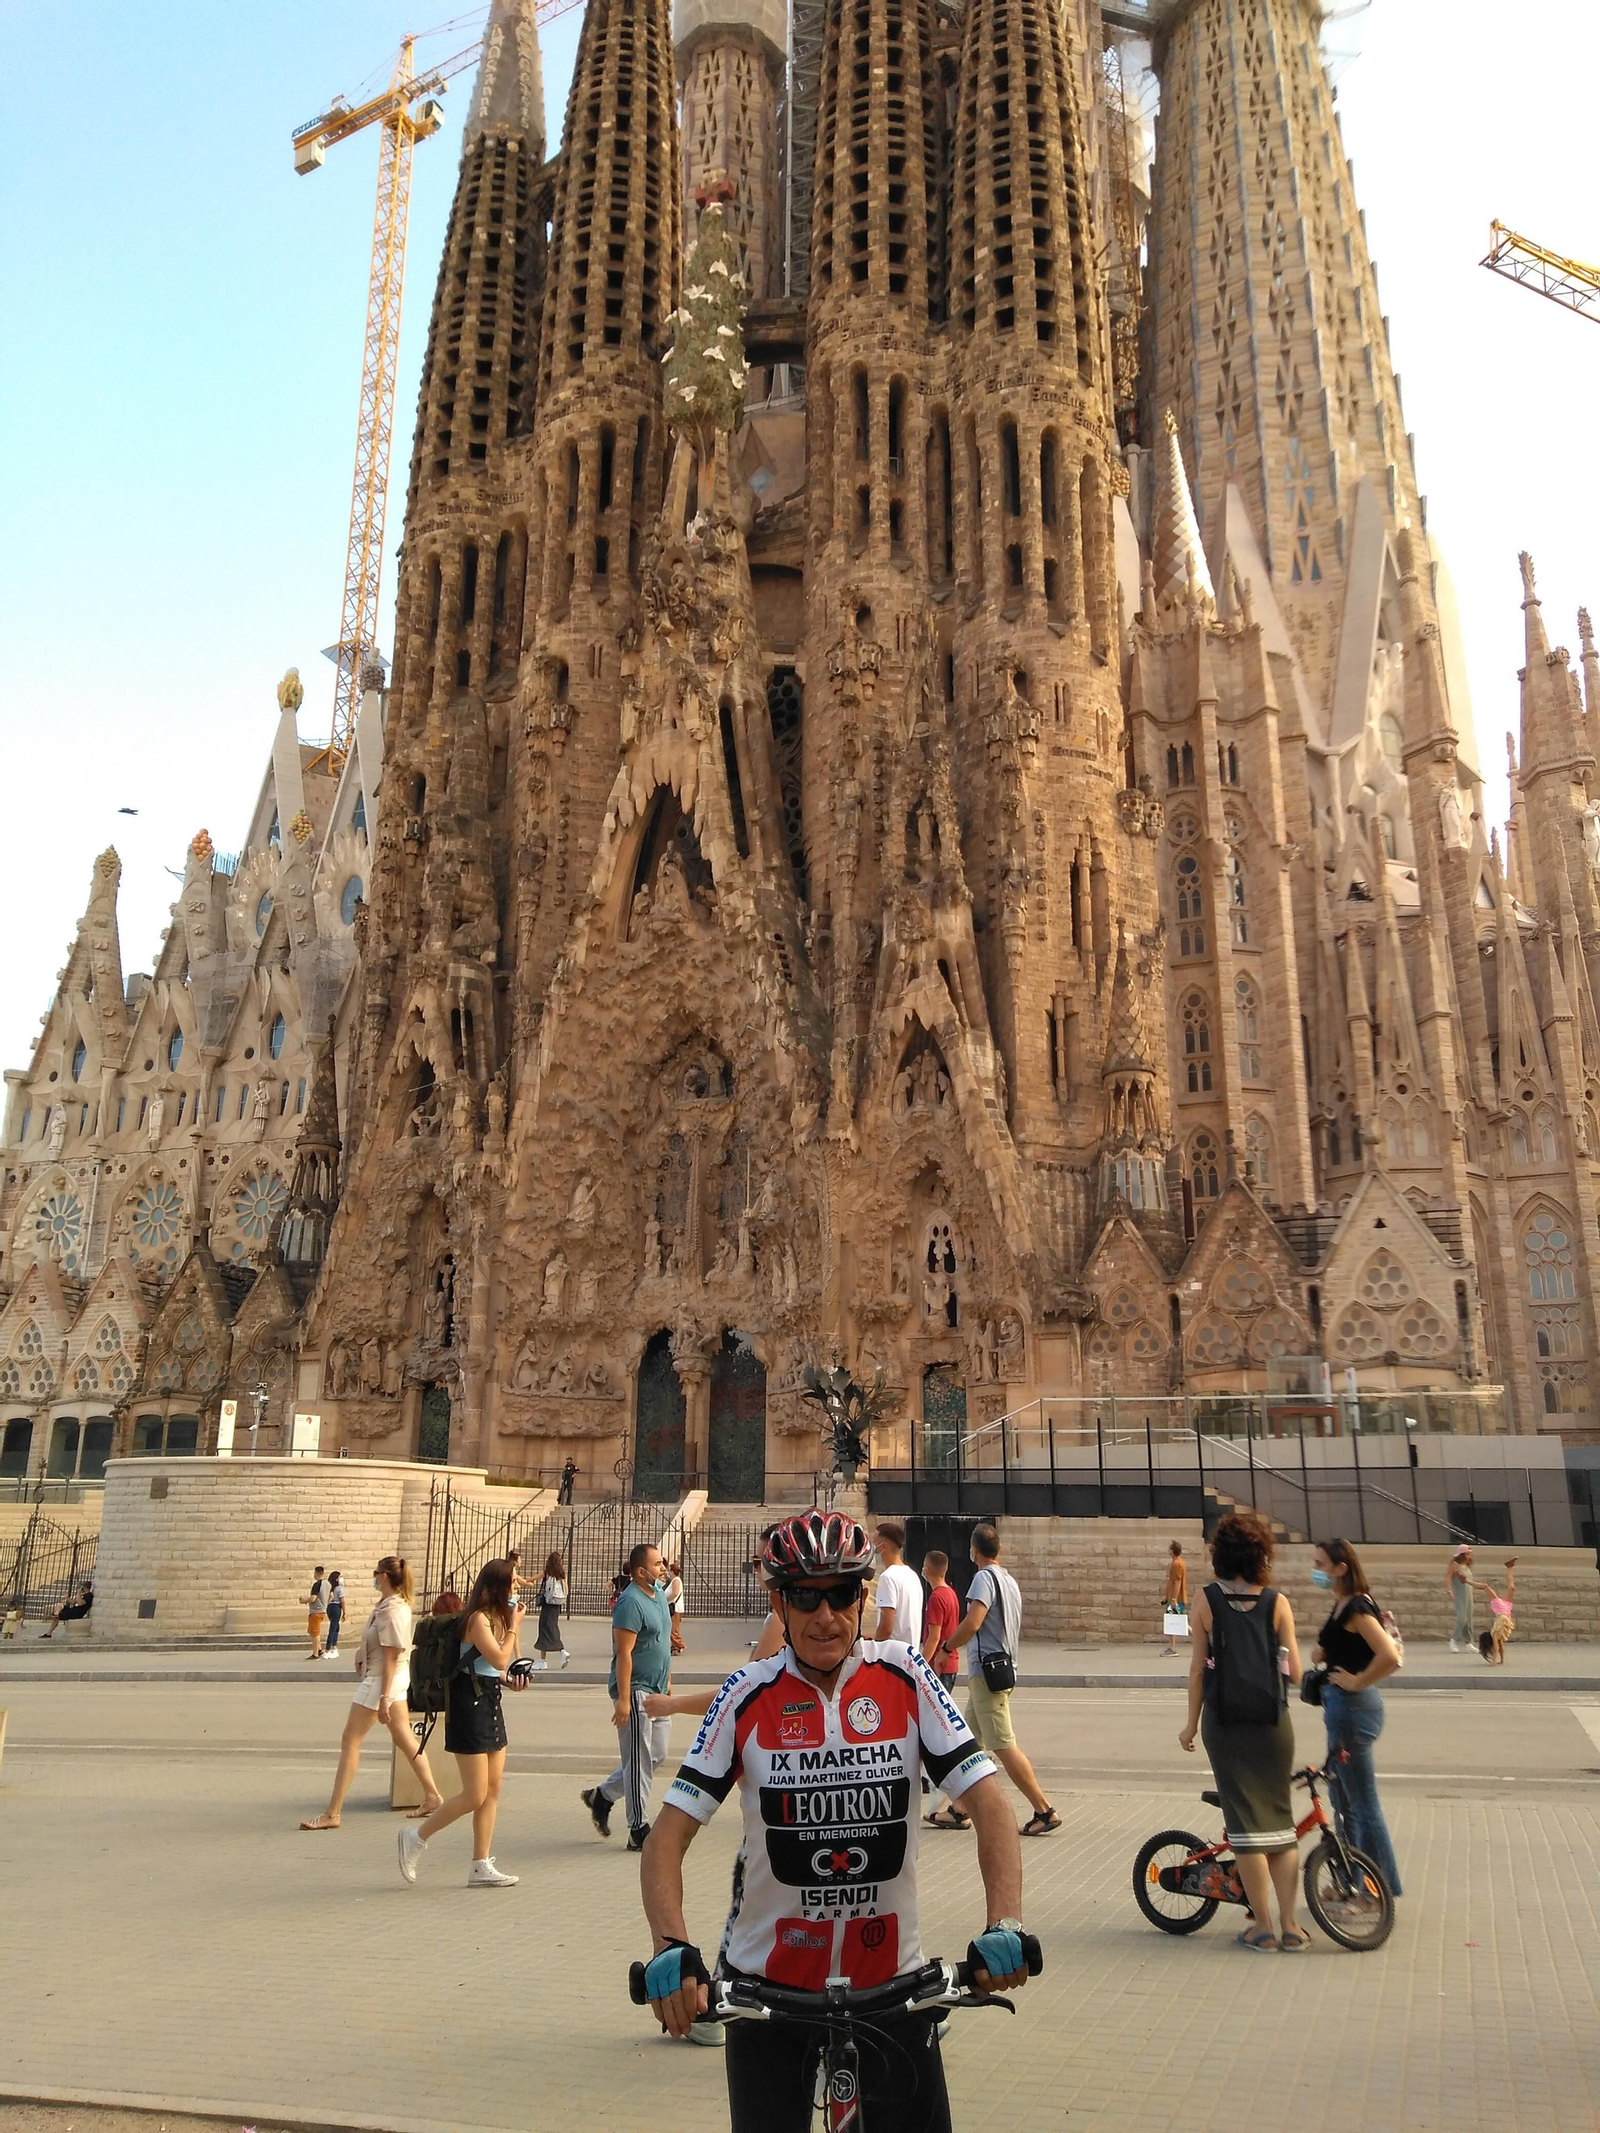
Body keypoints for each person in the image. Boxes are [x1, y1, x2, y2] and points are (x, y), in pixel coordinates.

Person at [636, 1510, 1035, 2133]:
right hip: (766, 1993)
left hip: (895, 1986)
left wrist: (1004, 1922)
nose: (826, 1616)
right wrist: (671, 1946)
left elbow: (989, 1802)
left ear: (864, 1595)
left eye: (842, 1594)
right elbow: (667, 1838)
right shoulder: (744, 1695)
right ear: (779, 1602)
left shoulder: (905, 1674)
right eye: (805, 1597)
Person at [1179, 1509, 1306, 1952]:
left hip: (1226, 1724)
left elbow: (1197, 1669)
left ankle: (1263, 1928)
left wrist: (1190, 1723)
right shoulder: (1278, 1603)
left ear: (1220, 1553)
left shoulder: (1205, 1600)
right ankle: (1292, 1927)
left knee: (1246, 1827)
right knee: (1280, 1824)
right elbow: (1293, 1673)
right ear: (1261, 1555)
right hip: (1273, 1724)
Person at [398, 1558, 526, 1888]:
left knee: (493, 1789)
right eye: (512, 1582)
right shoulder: (477, 1620)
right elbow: (499, 1656)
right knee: (473, 1794)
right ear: (497, 1586)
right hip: (469, 1707)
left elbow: (494, 1667)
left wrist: (511, 1679)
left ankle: (480, 1864)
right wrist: (514, 1626)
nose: (516, 1586)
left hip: (488, 1700)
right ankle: (416, 1837)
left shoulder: (493, 1619)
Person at [935, 1523, 1059, 1835]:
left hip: (986, 1674)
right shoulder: (1009, 1580)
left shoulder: (982, 1578)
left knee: (1002, 1744)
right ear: (998, 1549)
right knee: (969, 1742)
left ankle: (1043, 1810)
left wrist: (947, 1646)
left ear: (973, 1551)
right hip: (1003, 1669)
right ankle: (959, 1809)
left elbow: (973, 1622)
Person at [300, 1556, 441, 1830]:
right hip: (386, 1677)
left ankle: (333, 1812)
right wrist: (361, 1654)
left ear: (385, 1577)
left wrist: (384, 1697)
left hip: (381, 1680)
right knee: (403, 1736)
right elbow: (378, 1642)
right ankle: (432, 1794)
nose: (374, 1578)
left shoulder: (393, 1608)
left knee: (350, 1739)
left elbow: (391, 1654)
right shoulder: (388, 1605)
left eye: (377, 1573)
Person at [1310, 1537, 1402, 1896]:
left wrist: (1356, 1680)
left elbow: (1389, 1655)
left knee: (1363, 1805)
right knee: (1343, 1800)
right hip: (1340, 1710)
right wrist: (1323, 1651)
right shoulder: (1342, 1605)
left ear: (1340, 1568)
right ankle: (1348, 1879)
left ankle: (1373, 1891)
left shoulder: (1357, 1609)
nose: (1315, 1571)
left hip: (1353, 1709)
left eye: (1320, 1565)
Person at [582, 1543, 674, 1852]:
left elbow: (661, 1642)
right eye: (658, 1564)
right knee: (638, 1760)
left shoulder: (658, 1594)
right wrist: (623, 1699)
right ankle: (638, 1828)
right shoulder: (630, 1603)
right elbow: (624, 1653)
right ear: (640, 1571)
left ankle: (603, 1796)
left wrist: (668, 1678)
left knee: (656, 1753)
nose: (663, 1568)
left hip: (658, 1687)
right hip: (636, 1690)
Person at [870, 1520, 923, 1650]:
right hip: (910, 1654)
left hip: (892, 1656)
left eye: (875, 1541)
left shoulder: (887, 1577)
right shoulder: (912, 1575)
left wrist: (874, 1650)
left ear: (884, 1546)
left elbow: (886, 1627)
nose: (873, 1546)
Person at [532, 1550, 571, 1671]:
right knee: (552, 1627)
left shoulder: (547, 1573)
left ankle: (558, 1652)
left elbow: (532, 1579)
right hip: (557, 1605)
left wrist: (522, 1580)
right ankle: (545, 1659)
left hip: (548, 1605)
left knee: (544, 1628)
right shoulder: (562, 1574)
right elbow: (567, 1591)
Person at [1476, 1558, 1518, 1664]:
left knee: (1486, 1587)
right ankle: (1509, 1567)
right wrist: (1502, 1661)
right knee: (1512, 1588)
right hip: (1506, 1611)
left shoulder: (1495, 1633)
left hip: (1501, 1612)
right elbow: (1500, 1648)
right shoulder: (1498, 1636)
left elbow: (1496, 1649)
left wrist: (1494, 1662)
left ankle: (1466, 1581)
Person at [1446, 1542, 1476, 1653]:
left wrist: (1473, 1595)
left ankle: (1468, 1643)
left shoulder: (1467, 1567)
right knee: (1461, 1618)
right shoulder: (1455, 1565)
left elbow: (1470, 1582)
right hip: (1459, 1595)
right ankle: (1453, 1640)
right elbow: (1448, 1578)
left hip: (1468, 1595)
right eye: (1467, 1554)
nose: (1469, 1556)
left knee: (1468, 1619)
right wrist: (1449, 1591)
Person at [1163, 1540, 1189, 1656]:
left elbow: (1177, 1582)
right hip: (1173, 1599)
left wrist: (1173, 1600)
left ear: (1173, 1551)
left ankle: (1172, 1648)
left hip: (1176, 1600)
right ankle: (1172, 1647)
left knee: (1173, 1622)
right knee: (1173, 1622)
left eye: (1169, 1548)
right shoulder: (1175, 1563)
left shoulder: (1177, 1564)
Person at [305, 1565, 329, 1660]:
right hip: (323, 1609)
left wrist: (304, 1600)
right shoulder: (328, 1584)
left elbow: (313, 1598)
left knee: (315, 1633)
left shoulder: (317, 1584)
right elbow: (330, 1596)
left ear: (316, 1573)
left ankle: (315, 1654)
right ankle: (319, 1649)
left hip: (316, 1611)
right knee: (312, 1631)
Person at [664, 1559, 687, 1655]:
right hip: (675, 1607)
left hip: (675, 1608)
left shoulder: (676, 1581)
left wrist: (665, 1600)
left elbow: (675, 1593)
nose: (668, 1572)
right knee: (672, 1628)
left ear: (672, 1572)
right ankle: (674, 1646)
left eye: (669, 1571)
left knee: (673, 1629)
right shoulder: (674, 1580)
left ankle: (680, 1644)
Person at [324, 1570, 346, 1655]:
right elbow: (342, 1601)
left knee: (336, 1626)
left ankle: (334, 1645)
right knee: (333, 1627)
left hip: (330, 1607)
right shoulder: (339, 1588)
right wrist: (344, 1612)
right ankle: (328, 1648)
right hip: (336, 1607)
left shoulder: (329, 1588)